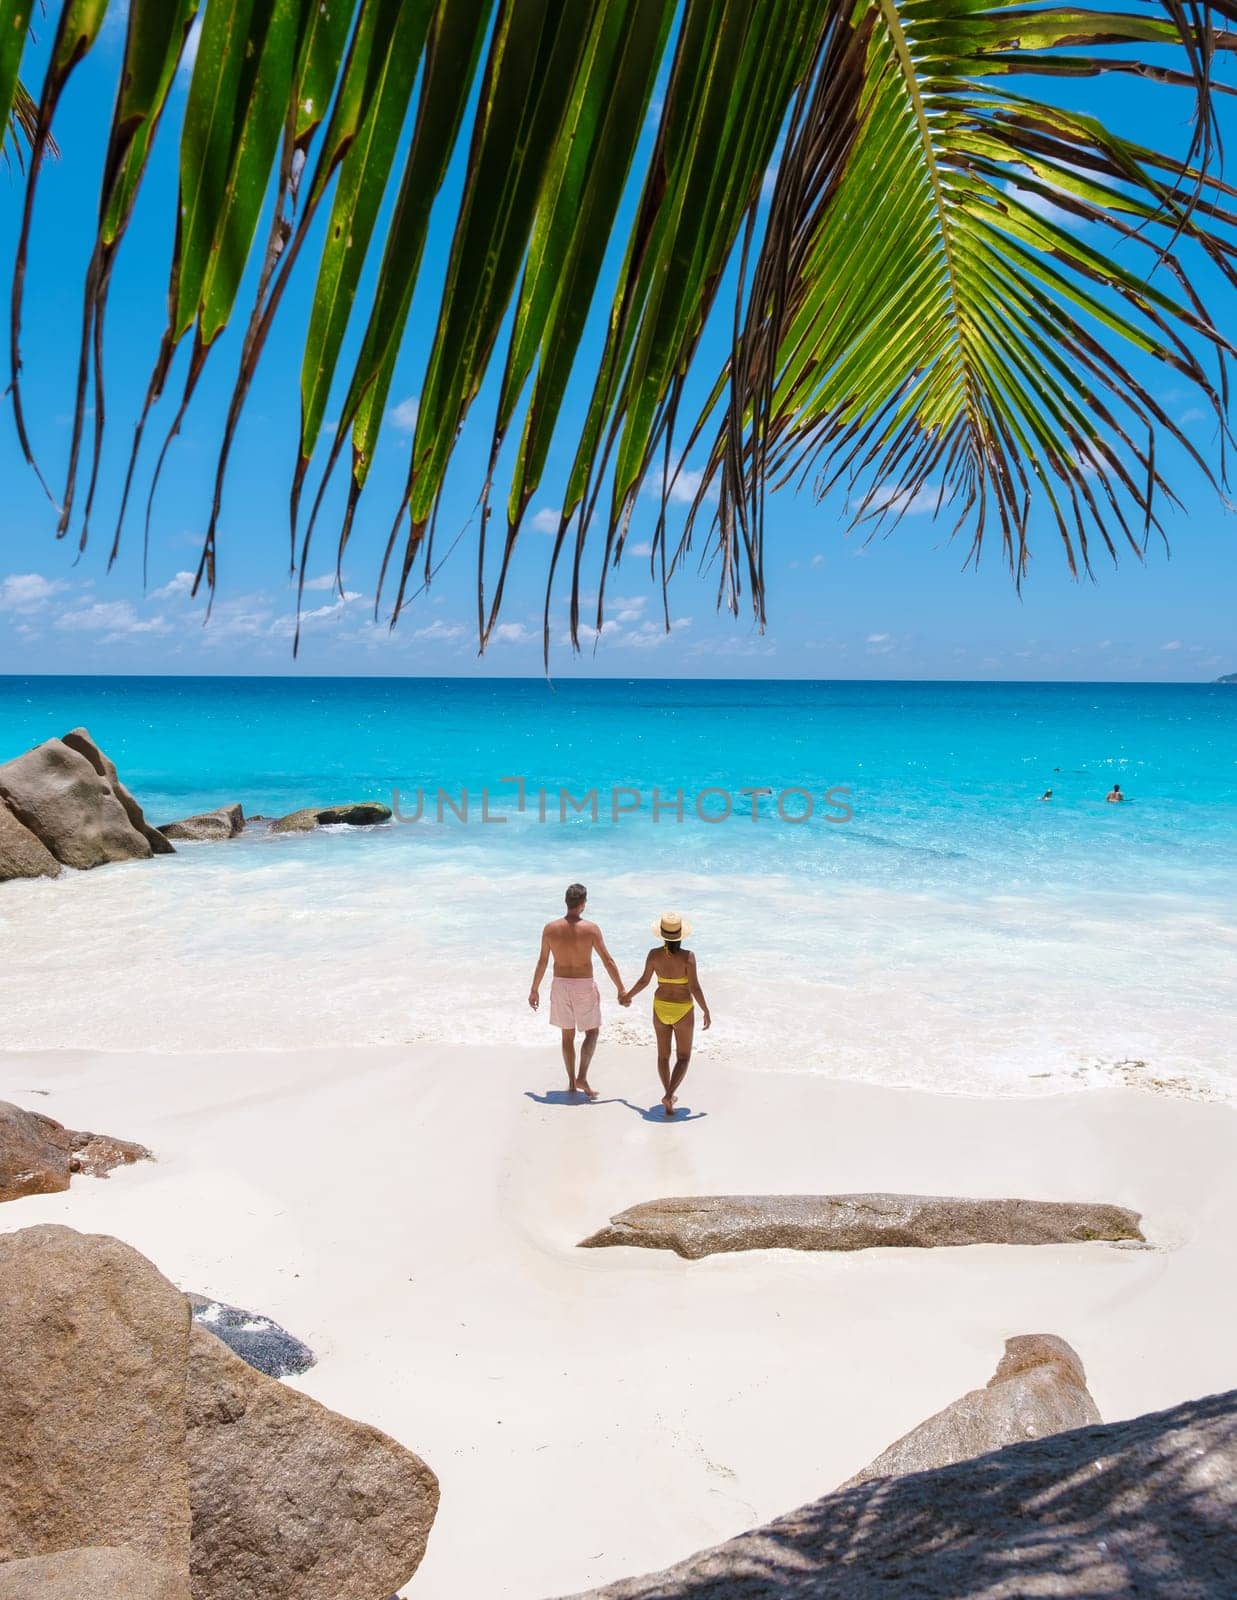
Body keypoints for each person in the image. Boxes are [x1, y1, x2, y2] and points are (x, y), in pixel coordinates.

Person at [529, 883, 625, 1099]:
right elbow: (607, 960)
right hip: (583, 985)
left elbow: (542, 962)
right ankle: (582, 1076)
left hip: (560, 984)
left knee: (567, 1036)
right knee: (592, 1032)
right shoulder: (591, 929)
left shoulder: (550, 929)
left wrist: (534, 989)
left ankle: (572, 1083)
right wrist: (621, 988)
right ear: (583, 904)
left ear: (566, 902)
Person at [620, 911, 711, 1117]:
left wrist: (628, 996)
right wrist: (706, 1009)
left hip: (660, 1007)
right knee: (684, 1056)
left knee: (663, 1056)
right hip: (682, 1009)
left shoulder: (653, 955)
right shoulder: (688, 957)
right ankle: (669, 1095)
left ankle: (667, 1094)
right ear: (680, 935)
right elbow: (695, 987)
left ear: (661, 934)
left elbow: (644, 981)